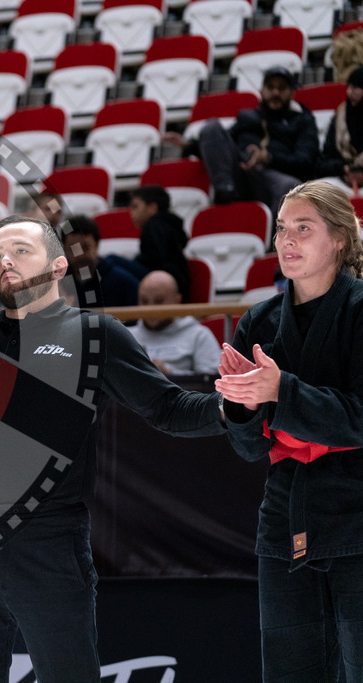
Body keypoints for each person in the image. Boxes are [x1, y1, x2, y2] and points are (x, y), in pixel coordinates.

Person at [0, 202, 225, 681]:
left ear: (58, 265)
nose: (4, 261)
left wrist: (232, 406)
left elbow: (170, 409)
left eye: (19, 250)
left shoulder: (95, 334)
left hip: (48, 539)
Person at [214, 180, 363, 682]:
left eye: (304, 228)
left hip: (357, 518)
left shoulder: (359, 310)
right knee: (289, 672)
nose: (287, 241)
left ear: (339, 238)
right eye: (281, 229)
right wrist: (239, 407)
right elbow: (247, 446)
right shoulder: (258, 322)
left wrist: (281, 392)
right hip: (283, 521)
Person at [168, 66, 318, 217]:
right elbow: (220, 146)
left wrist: (268, 157)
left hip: (273, 178)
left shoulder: (303, 121)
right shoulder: (247, 117)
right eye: (270, 87)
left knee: (290, 187)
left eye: (282, 88)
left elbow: (306, 161)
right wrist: (189, 145)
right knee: (211, 128)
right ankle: (224, 191)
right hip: (240, 174)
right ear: (261, 91)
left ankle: (273, 238)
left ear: (292, 93)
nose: (275, 93)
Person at [129, 270, 221, 376]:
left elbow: (211, 382)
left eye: (159, 301)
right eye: (144, 301)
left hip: (182, 390)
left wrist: (170, 374)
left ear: (177, 301)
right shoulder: (125, 336)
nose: (150, 309)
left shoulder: (199, 335)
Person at [60, 214, 140, 308]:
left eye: (86, 247)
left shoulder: (125, 283)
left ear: (97, 245)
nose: (80, 255)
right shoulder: (56, 284)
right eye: (74, 249)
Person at [128, 184, 191, 302]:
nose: (131, 213)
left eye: (135, 207)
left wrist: (135, 261)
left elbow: (153, 260)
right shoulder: (168, 226)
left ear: (152, 208)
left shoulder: (153, 225)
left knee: (111, 261)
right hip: (176, 284)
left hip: (164, 282)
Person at [316, 65, 363, 190]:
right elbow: (323, 162)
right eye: (348, 87)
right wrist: (343, 169)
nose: (349, 92)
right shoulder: (340, 117)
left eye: (355, 88)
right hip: (342, 179)